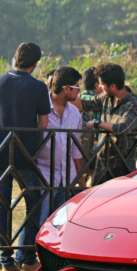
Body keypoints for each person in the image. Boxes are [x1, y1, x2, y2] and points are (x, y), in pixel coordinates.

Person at [0, 42, 50, 271]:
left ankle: (5, 258)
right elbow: (43, 122)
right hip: (25, 152)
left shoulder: (1, 81)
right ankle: (26, 254)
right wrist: (37, 145)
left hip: (1, 148)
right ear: (35, 62)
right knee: (34, 198)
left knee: (2, 204)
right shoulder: (38, 87)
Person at [79, 63, 137, 185]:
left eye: (102, 84)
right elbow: (86, 103)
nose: (100, 87)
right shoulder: (105, 97)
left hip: (123, 163)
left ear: (112, 86)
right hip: (103, 159)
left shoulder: (132, 104)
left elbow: (122, 128)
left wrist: (98, 123)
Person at [37, 67, 84, 225]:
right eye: (76, 88)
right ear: (66, 89)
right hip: (43, 176)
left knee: (62, 225)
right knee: (37, 221)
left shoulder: (75, 113)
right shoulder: (40, 109)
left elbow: (76, 149)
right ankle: (26, 250)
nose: (79, 92)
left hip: (67, 178)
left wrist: (81, 180)